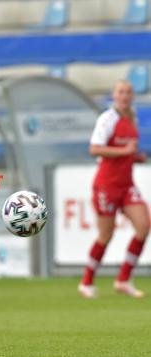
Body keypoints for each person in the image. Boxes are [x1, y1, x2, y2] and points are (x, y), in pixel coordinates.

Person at [78, 79, 149, 299]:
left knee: (143, 226)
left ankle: (123, 279)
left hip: (126, 184)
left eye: (128, 92)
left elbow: (124, 150)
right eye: (121, 92)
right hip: (106, 185)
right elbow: (94, 149)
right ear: (114, 95)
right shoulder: (108, 119)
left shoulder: (132, 117)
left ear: (132, 96)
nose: (125, 95)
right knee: (106, 235)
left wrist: (134, 157)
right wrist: (125, 151)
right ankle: (87, 281)